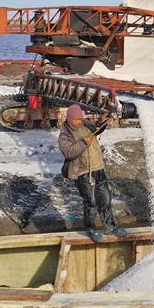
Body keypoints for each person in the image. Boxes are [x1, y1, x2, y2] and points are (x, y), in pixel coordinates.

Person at [59, 104, 127, 242]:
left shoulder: (87, 124)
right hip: (83, 173)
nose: (78, 121)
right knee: (91, 202)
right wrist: (84, 142)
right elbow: (69, 152)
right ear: (70, 119)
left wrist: (103, 120)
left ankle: (110, 226)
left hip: (98, 169)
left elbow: (98, 128)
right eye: (75, 120)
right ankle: (91, 229)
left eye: (80, 119)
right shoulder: (65, 135)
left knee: (106, 199)